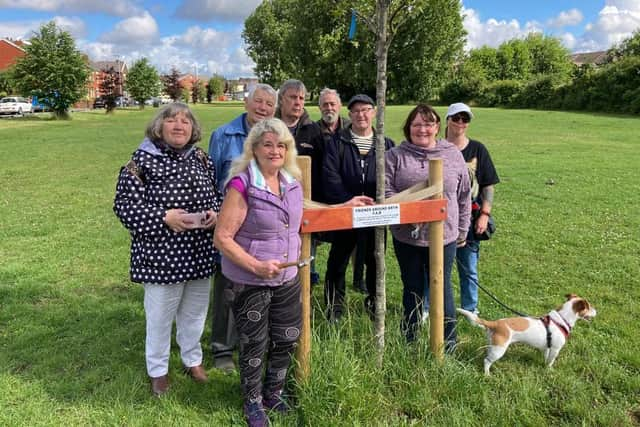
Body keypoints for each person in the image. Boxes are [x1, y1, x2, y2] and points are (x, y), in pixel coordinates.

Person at [214, 118, 371, 427]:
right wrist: (256, 265)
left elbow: (306, 214)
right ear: (255, 149)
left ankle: (274, 392)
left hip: (287, 277)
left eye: (281, 145)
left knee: (287, 337)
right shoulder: (243, 184)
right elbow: (222, 237)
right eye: (267, 144)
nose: (275, 151)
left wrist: (346, 205)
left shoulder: (290, 182)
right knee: (254, 342)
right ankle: (253, 402)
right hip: (251, 279)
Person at [113, 103, 222, 396]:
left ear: (193, 129)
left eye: (185, 121)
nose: (179, 126)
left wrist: (214, 213)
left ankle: (192, 360)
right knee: (160, 316)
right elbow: (124, 206)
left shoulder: (201, 158)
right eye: (172, 120)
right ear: (159, 126)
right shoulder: (142, 160)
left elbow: (217, 195)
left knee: (195, 312)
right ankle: (158, 370)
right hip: (162, 255)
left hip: (198, 252)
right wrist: (164, 218)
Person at [385, 104, 471, 350]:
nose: (423, 129)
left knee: (441, 288)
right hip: (407, 238)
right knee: (412, 287)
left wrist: (463, 230)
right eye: (417, 124)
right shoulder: (395, 156)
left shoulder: (452, 153)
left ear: (437, 127)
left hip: (444, 237)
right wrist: (407, 214)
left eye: (428, 123)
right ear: (408, 128)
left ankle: (448, 342)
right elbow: (386, 191)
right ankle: (410, 339)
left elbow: (464, 194)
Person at [208, 83, 277, 372]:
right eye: (258, 102)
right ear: (246, 102)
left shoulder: (277, 137)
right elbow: (210, 179)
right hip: (230, 223)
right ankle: (222, 350)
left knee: (260, 286)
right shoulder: (223, 135)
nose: (262, 108)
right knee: (227, 286)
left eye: (268, 105)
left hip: (262, 225)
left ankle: (253, 343)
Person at [322, 94, 395, 322]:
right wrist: (348, 199)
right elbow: (329, 175)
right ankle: (334, 307)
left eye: (366, 110)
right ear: (349, 114)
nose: (361, 115)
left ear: (374, 112)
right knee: (338, 261)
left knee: (376, 260)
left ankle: (375, 303)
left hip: (376, 213)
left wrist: (380, 200)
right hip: (346, 212)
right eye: (355, 111)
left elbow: (393, 176)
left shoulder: (386, 143)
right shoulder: (337, 142)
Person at [295, 87, 355, 287]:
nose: (329, 107)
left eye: (332, 104)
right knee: (310, 240)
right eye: (325, 104)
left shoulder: (350, 129)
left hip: (345, 196)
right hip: (317, 195)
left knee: (346, 244)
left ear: (340, 106)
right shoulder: (311, 131)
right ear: (319, 107)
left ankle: (355, 279)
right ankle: (308, 277)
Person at [445, 102, 499, 314]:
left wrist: (484, 214)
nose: (460, 122)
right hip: (442, 216)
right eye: (456, 118)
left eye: (464, 119)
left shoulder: (477, 149)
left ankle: (470, 309)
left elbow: (488, 184)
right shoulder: (437, 146)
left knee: (468, 267)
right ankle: (428, 307)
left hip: (469, 217)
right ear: (447, 119)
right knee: (434, 266)